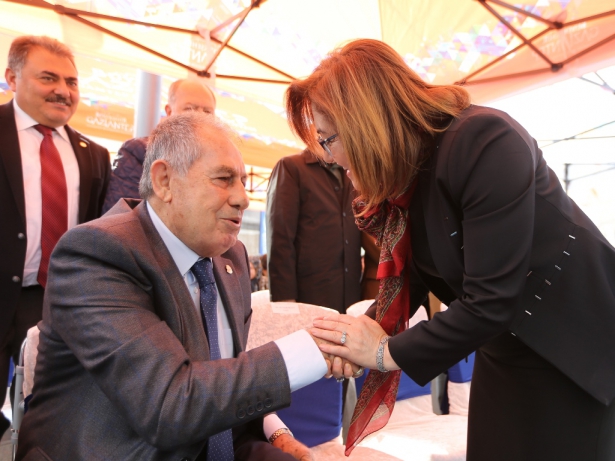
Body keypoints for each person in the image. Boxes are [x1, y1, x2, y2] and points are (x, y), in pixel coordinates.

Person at [287, 39, 615, 461]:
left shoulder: (483, 140)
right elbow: (409, 282)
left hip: (572, 353)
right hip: (504, 350)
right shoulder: (411, 177)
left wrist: (383, 353)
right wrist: (350, 339)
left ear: (364, 124)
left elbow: (492, 299)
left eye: (327, 139)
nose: (329, 157)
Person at [17, 112, 356, 461]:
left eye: (243, 181)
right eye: (224, 179)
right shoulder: (96, 254)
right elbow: (169, 405)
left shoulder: (232, 258)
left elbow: (222, 379)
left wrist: (276, 432)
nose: (243, 198)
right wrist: (317, 347)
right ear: (164, 181)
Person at [0, 35, 110, 437]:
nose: (63, 90)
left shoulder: (93, 155)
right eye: (48, 78)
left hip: (54, 303)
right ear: (12, 78)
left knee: (48, 416)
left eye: (72, 82)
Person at [267, 149, 361, 313]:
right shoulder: (291, 167)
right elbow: (280, 237)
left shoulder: (351, 172)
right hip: (309, 296)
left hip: (351, 297)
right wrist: (285, 301)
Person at [102, 78, 216, 213]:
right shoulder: (139, 152)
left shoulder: (216, 161)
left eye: (207, 111)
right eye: (189, 108)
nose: (200, 116)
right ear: (169, 112)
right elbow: (121, 215)